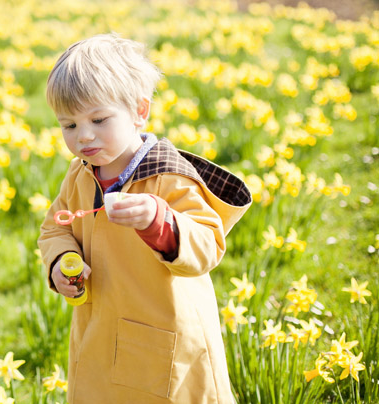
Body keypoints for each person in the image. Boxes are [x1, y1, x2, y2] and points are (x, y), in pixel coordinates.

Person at [38, 33, 252, 404]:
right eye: (69, 125)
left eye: (98, 119)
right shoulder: (81, 173)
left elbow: (207, 247)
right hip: (99, 333)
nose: (83, 136)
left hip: (164, 338)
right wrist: (60, 260)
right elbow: (55, 226)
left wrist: (159, 221)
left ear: (140, 111)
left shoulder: (169, 176)